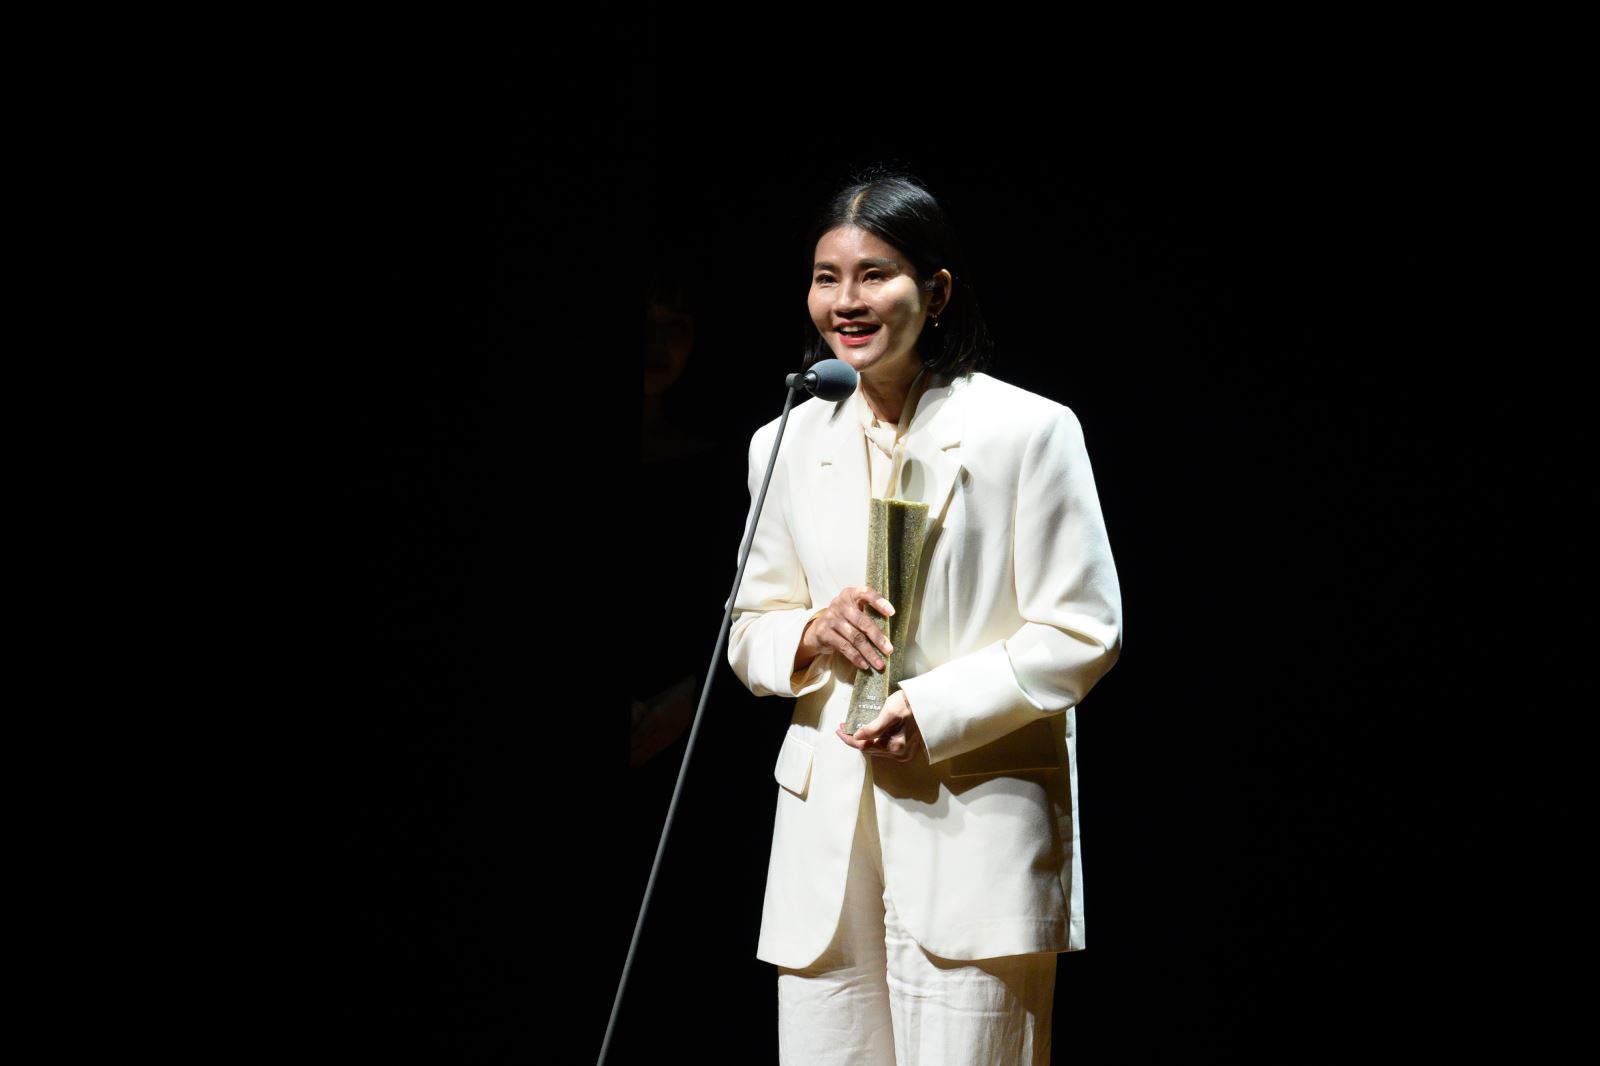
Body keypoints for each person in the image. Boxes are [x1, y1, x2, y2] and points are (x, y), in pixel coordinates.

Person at [727, 171, 1123, 1066]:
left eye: (875, 274)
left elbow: (1081, 630)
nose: (846, 301)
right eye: (827, 277)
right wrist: (809, 633)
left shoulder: (1028, 430)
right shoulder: (783, 441)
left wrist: (933, 710)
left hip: (974, 826)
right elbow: (749, 628)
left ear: (936, 291)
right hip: (825, 850)